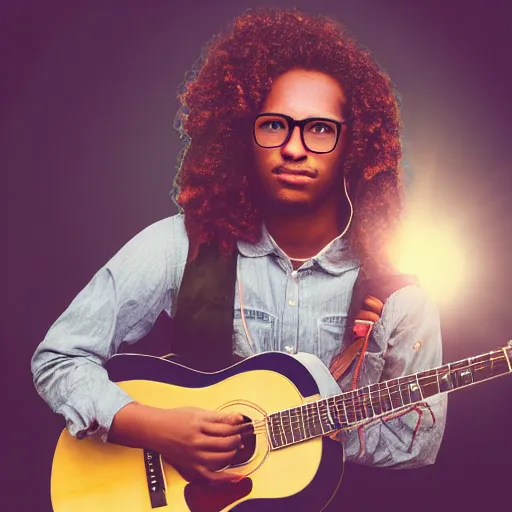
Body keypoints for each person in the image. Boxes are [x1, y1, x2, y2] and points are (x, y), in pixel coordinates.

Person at [31, 6, 446, 490]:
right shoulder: (178, 246)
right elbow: (58, 358)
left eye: (319, 128)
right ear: (241, 135)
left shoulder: (400, 300)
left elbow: (418, 440)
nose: (294, 147)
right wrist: (153, 427)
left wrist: (292, 432)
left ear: (354, 148)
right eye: (274, 124)